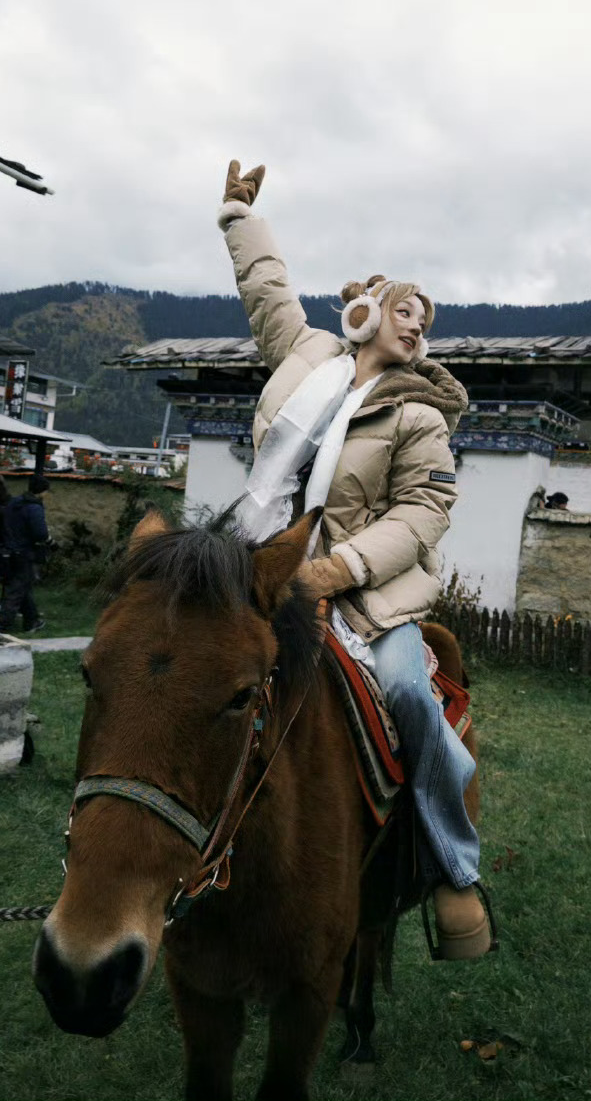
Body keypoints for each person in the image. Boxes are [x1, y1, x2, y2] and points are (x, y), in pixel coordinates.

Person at [220, 160, 493, 960]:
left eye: (426, 322)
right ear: (366, 313)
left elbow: (423, 513)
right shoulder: (308, 357)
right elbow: (268, 295)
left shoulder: (419, 418)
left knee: (409, 692)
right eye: (406, 310)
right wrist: (239, 218)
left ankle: (455, 869)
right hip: (265, 566)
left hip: (368, 599)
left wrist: (336, 572)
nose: (418, 326)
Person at [0, 476, 52, 635]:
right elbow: (40, 533)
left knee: (23, 586)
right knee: (16, 591)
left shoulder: (14, 503)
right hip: (24, 552)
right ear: (43, 491)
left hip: (7, 551)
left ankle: (32, 621)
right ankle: (0, 628)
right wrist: (49, 541)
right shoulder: (34, 507)